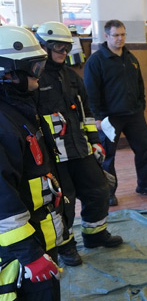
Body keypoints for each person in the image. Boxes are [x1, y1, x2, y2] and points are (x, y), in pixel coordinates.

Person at [34, 21, 123, 267]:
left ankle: (95, 235)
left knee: (99, 190)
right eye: (58, 48)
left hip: (80, 149)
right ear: (44, 47)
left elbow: (86, 112)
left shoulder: (71, 77)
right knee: (63, 203)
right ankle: (66, 247)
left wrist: (94, 141)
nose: (63, 53)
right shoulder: (35, 79)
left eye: (66, 48)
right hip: (54, 155)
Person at [0, 26, 64, 300]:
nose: (39, 78)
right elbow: (2, 198)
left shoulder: (18, 108)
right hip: (21, 256)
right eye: (34, 69)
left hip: (38, 238)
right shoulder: (4, 123)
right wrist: (30, 254)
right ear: (9, 74)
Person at [84, 19, 147, 206]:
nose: (120, 39)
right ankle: (109, 192)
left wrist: (141, 105)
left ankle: (145, 185)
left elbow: (139, 84)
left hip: (133, 114)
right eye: (116, 35)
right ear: (106, 36)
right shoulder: (96, 61)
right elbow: (91, 91)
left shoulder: (130, 58)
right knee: (107, 156)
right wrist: (97, 117)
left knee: (144, 147)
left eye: (122, 35)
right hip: (108, 117)